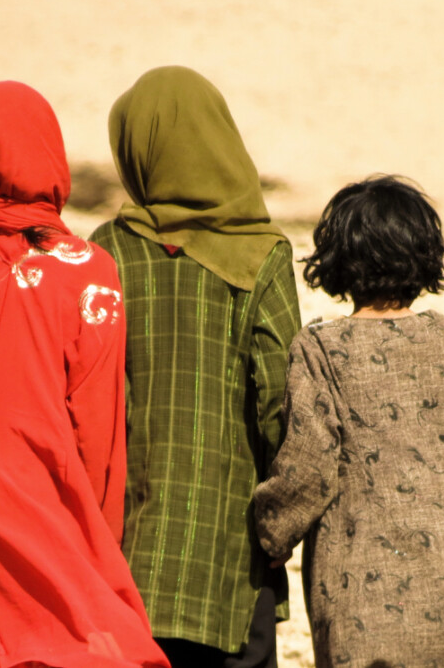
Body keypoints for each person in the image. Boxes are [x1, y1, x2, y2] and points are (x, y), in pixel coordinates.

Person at [0, 81, 168, 668]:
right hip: (30, 491)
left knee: (6, 650)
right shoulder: (87, 271)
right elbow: (95, 424)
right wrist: (101, 543)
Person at [89, 66, 300, 667]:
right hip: (230, 560)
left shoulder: (105, 250)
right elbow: (282, 407)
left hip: (126, 552)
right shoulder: (263, 255)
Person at [252, 175, 444, 668]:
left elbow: (308, 469)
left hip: (356, 581)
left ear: (337, 259)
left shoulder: (320, 349)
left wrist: (273, 533)